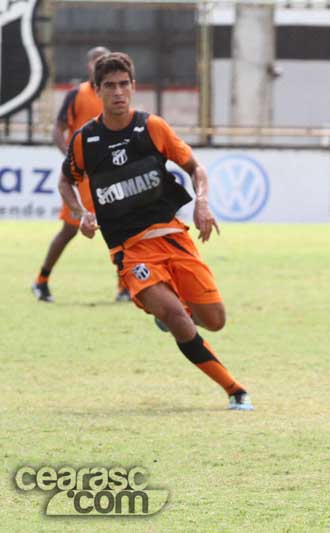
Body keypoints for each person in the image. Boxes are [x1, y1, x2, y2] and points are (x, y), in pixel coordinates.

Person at [58, 52, 253, 410]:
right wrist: (80, 212)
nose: (118, 92)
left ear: (132, 87)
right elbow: (65, 181)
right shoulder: (86, 141)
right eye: (110, 86)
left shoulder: (152, 128)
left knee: (215, 320)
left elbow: (197, 169)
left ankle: (175, 313)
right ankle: (235, 390)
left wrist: (203, 202)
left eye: (124, 85)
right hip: (131, 252)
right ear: (97, 90)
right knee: (177, 317)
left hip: (172, 237)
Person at [33, 46, 130, 303]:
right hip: (82, 176)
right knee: (69, 230)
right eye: (97, 62)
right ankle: (41, 280)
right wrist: (69, 155)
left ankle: (125, 287)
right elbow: (59, 128)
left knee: (122, 227)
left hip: (111, 174)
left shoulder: (117, 93)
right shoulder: (77, 94)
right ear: (90, 67)